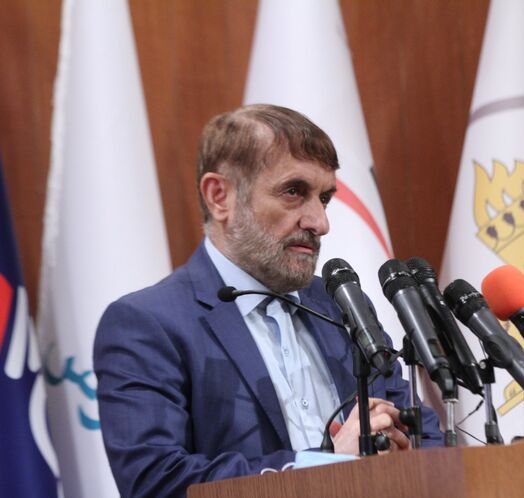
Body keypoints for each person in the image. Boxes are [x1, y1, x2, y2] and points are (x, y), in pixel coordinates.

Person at [93, 104, 443, 498]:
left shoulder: (342, 304)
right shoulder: (148, 324)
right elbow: (156, 482)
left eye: (325, 198)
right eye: (294, 192)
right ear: (220, 196)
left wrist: (403, 451)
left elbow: (422, 431)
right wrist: (327, 465)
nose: (320, 223)